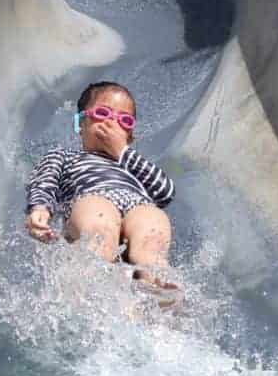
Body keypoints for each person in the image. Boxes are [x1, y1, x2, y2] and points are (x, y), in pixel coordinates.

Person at [25, 80, 177, 290]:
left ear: (129, 137)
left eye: (124, 120)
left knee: (152, 233)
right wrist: (40, 209)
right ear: (80, 123)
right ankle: (97, 287)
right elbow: (45, 181)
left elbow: (165, 192)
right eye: (102, 114)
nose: (111, 124)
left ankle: (157, 288)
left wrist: (122, 152)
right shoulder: (64, 155)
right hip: (92, 197)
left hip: (137, 205)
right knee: (100, 227)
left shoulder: (132, 163)